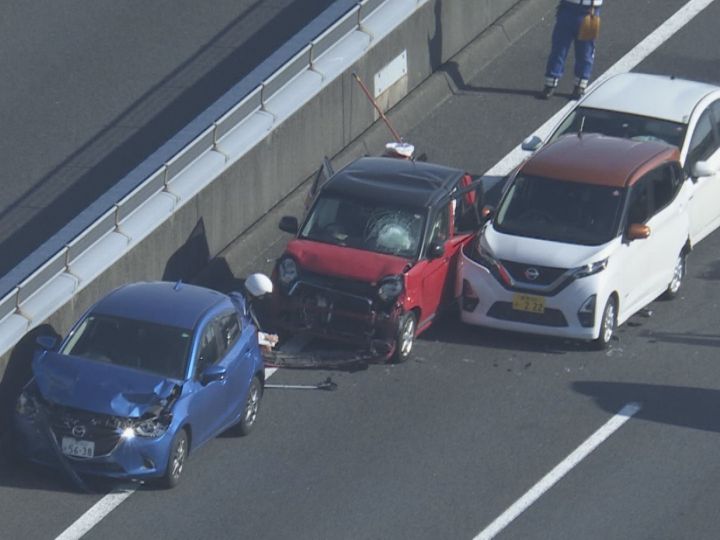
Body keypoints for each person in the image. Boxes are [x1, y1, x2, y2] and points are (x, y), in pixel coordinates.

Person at [541, 0, 603, 100]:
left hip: (589, 10)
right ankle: (550, 84)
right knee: (559, 49)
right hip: (568, 8)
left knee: (585, 52)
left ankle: (580, 85)